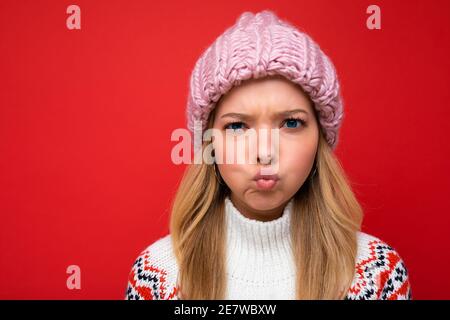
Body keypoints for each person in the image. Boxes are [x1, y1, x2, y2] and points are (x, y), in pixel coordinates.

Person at [125, 10, 411, 300]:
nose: (264, 153)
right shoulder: (156, 278)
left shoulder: (376, 276)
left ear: (320, 139)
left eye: (291, 123)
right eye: (237, 126)